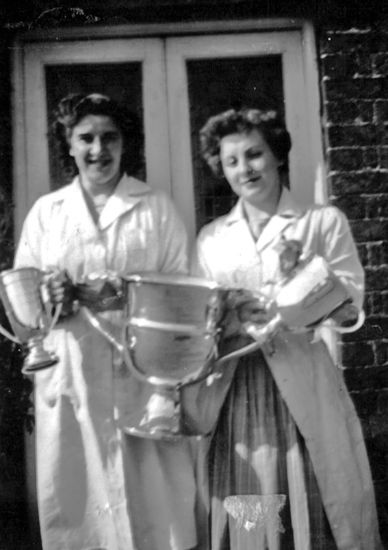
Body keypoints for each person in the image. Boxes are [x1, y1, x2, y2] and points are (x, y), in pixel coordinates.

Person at [14, 93, 206, 550]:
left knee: (154, 496)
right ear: (69, 144)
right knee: (78, 492)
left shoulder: (155, 207)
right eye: (86, 138)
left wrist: (126, 293)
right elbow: (24, 309)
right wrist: (49, 294)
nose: (98, 149)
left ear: (125, 144)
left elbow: (184, 294)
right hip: (72, 369)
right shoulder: (48, 212)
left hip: (143, 369)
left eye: (109, 138)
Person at [191, 108, 383, 549]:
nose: (245, 169)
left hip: (303, 385)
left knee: (310, 504)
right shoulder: (212, 238)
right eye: (232, 161)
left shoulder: (321, 222)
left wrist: (308, 277)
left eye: (255, 154)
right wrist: (227, 316)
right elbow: (200, 322)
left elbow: (350, 307)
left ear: (277, 154)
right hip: (237, 393)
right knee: (252, 514)